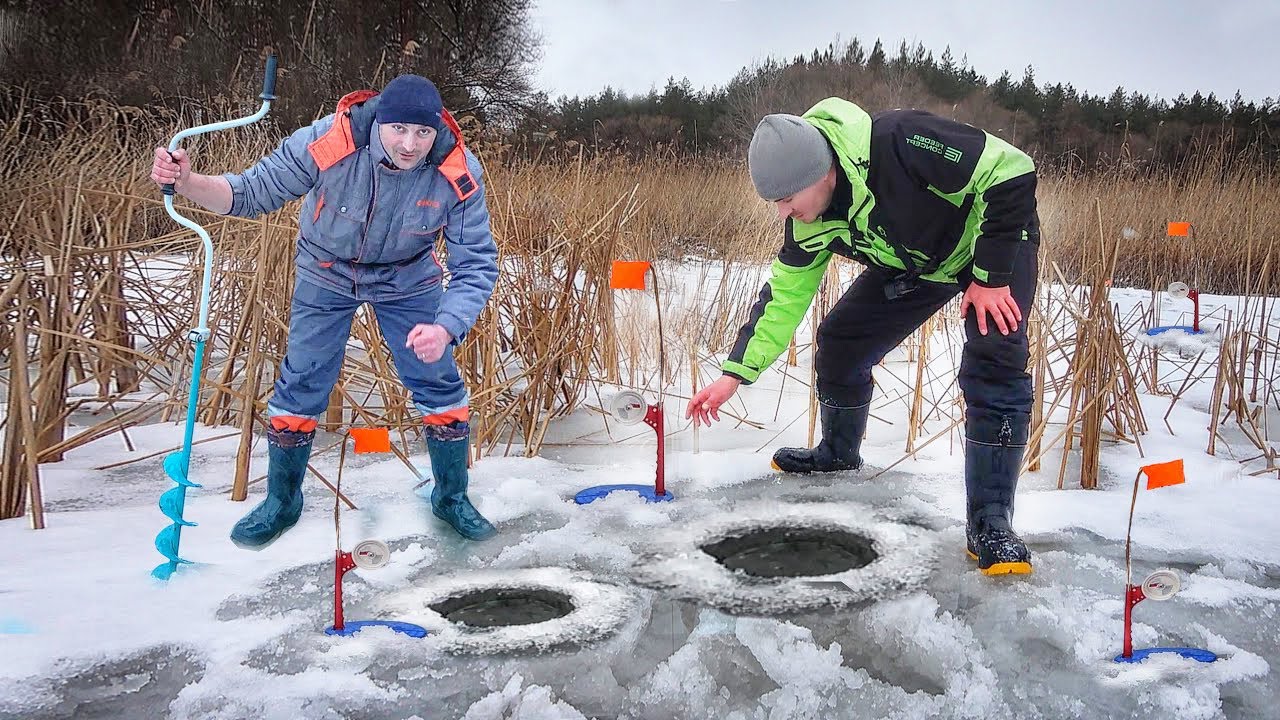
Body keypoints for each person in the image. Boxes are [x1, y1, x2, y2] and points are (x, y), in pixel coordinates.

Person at [686, 98, 1041, 576]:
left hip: (991, 247)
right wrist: (733, 375)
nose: (782, 213)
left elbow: (1011, 171)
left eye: (788, 199)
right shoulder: (807, 225)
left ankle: (991, 522)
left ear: (823, 171)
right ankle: (838, 454)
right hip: (917, 265)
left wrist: (992, 274)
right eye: (775, 204)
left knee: (992, 361)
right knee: (840, 344)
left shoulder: (900, 141)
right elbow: (783, 299)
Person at [150, 74, 500, 546]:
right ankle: (283, 500)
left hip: (408, 278)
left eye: (422, 133)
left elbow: (476, 263)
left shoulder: (458, 172)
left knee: (437, 376)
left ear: (437, 130)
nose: (410, 144)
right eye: (398, 129)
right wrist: (188, 181)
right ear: (379, 122)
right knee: (305, 375)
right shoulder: (328, 141)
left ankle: (451, 497)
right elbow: (249, 194)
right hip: (325, 270)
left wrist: (445, 326)